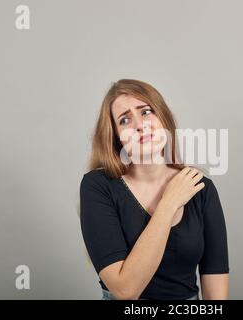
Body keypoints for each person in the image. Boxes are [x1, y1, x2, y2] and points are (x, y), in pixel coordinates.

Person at [79, 79, 229, 300]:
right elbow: (125, 291)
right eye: (125, 120)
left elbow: (215, 283)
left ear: (163, 119)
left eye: (146, 111)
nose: (140, 125)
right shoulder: (98, 186)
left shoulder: (200, 188)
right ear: (117, 138)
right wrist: (169, 202)